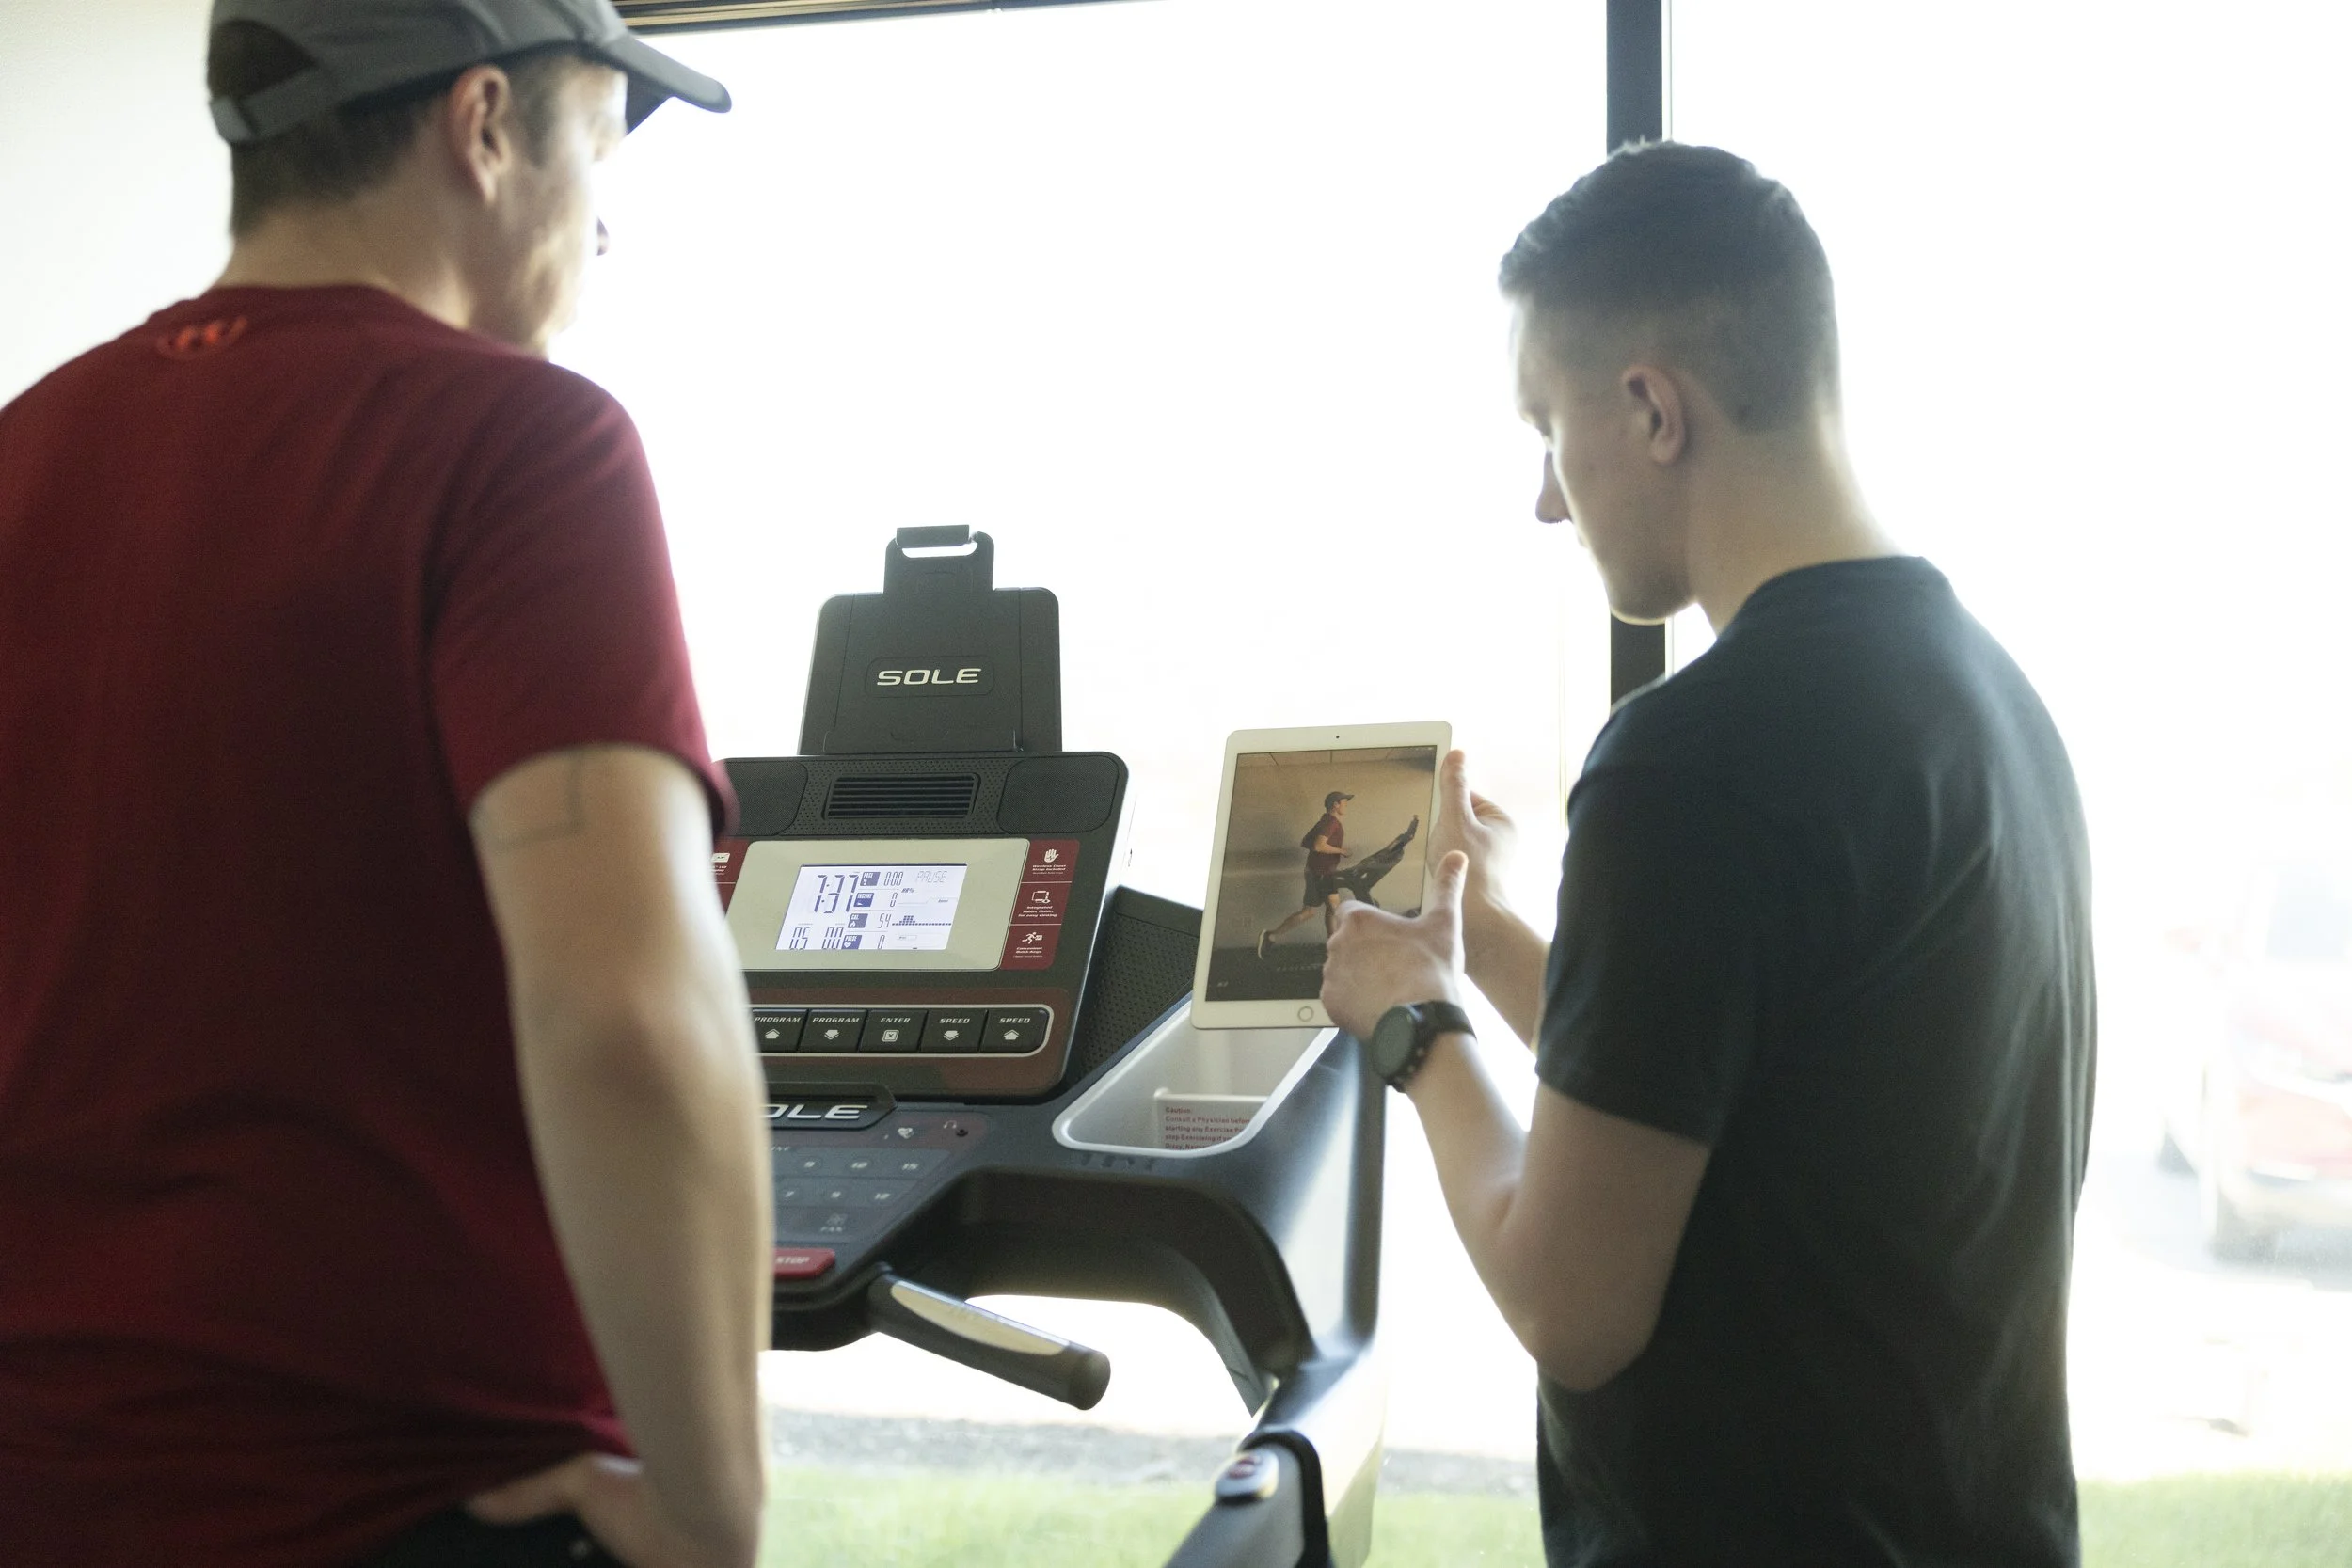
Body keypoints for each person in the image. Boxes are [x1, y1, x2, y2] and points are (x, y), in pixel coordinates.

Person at [0, 4, 772, 1566]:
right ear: (484, 126)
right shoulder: (523, 445)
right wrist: (710, 1510)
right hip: (412, 1500)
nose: (604, 225)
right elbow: (627, 1017)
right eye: (598, 152)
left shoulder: (23, 451)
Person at [1321, 143, 2095, 1567]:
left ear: (1650, 408)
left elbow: (1572, 1297)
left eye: (1548, 429)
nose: (1549, 501)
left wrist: (1410, 1026)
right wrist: (1482, 939)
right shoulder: (1977, 691)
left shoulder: (1694, 759)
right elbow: (1725, 1105)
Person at [1260, 790, 1353, 953]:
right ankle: (1334, 947)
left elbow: (1307, 842)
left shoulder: (1325, 821)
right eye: (1344, 802)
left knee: (1312, 911)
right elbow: (1318, 846)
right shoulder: (1330, 822)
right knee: (1334, 909)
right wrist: (1341, 851)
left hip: (1317, 871)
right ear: (1335, 804)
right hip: (1322, 873)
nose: (1346, 805)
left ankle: (1271, 936)